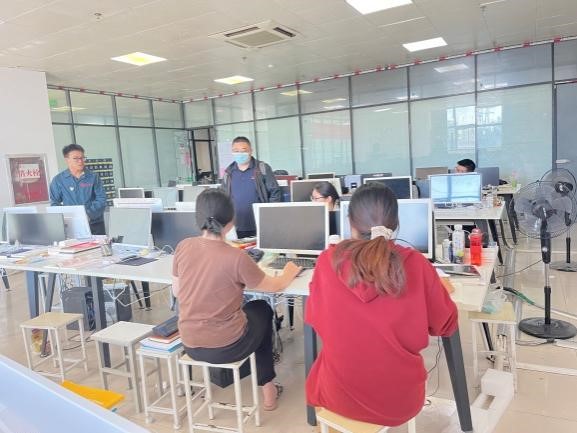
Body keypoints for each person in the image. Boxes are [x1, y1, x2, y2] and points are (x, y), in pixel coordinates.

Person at [305, 183, 458, 426]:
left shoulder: (327, 262)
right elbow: (446, 325)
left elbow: (314, 318)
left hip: (337, 395)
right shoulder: (416, 265)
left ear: (350, 221)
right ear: (395, 223)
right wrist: (435, 291)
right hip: (399, 403)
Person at [172, 189, 301, 411]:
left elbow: (177, 291)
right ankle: (268, 391)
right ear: (231, 220)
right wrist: (290, 271)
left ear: (198, 217)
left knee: (250, 311)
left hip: (190, 344)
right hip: (227, 347)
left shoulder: (183, 246)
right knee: (262, 309)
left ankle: (269, 391)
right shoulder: (236, 257)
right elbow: (274, 286)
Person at [221, 136, 281, 238]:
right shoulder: (228, 172)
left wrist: (269, 216)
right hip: (236, 226)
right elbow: (223, 197)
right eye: (236, 151)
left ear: (251, 151)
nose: (240, 154)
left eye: (243, 150)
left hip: (259, 224)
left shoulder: (262, 168)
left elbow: (275, 192)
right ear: (232, 152)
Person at [49, 144, 107, 235]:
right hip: (72, 226)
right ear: (67, 160)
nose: (80, 161)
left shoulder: (93, 177)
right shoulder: (59, 180)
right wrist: (67, 218)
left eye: (82, 158)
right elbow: (54, 203)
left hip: (94, 224)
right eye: (76, 158)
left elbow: (101, 199)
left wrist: (88, 214)